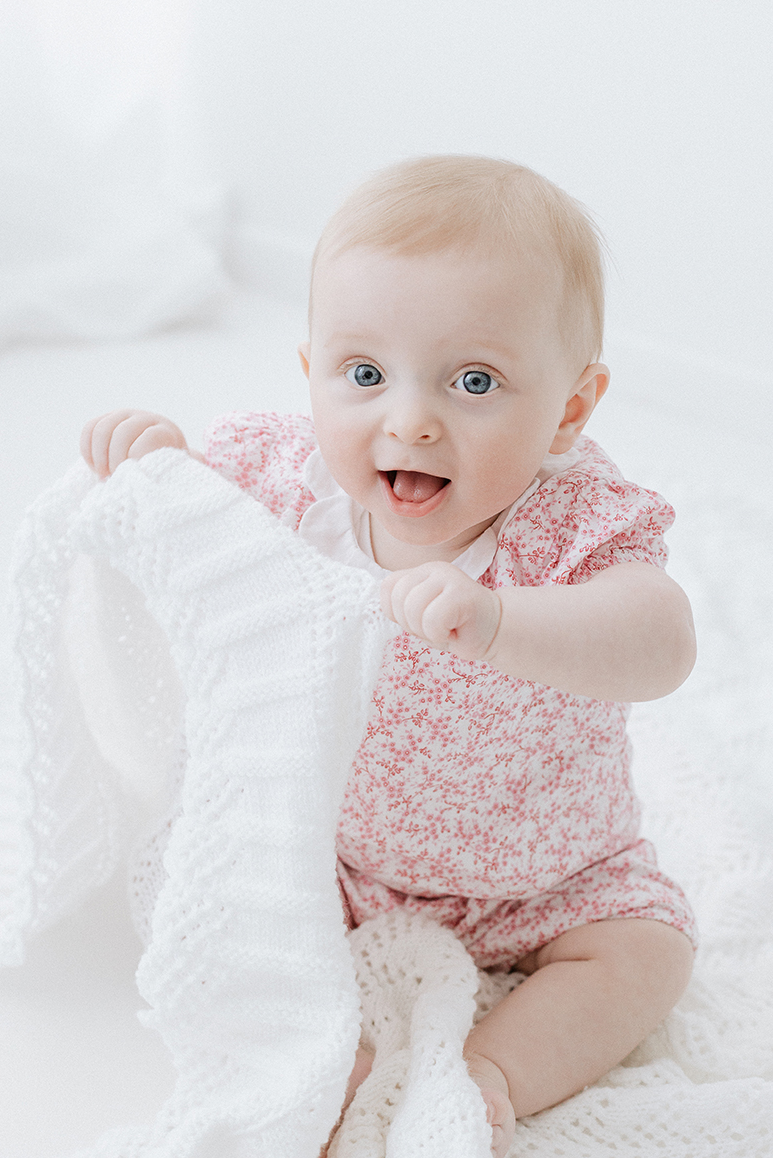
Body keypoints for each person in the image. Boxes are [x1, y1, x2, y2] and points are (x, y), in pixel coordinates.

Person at [80, 156, 697, 1157]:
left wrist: (501, 621)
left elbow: (658, 641)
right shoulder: (279, 481)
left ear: (570, 411)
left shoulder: (574, 522)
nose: (407, 419)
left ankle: (495, 1069)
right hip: (339, 855)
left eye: (473, 381)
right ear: (310, 369)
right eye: (363, 375)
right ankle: (330, 1061)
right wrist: (156, 464)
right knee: (205, 895)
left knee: (646, 954)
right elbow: (191, 543)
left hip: (550, 873)